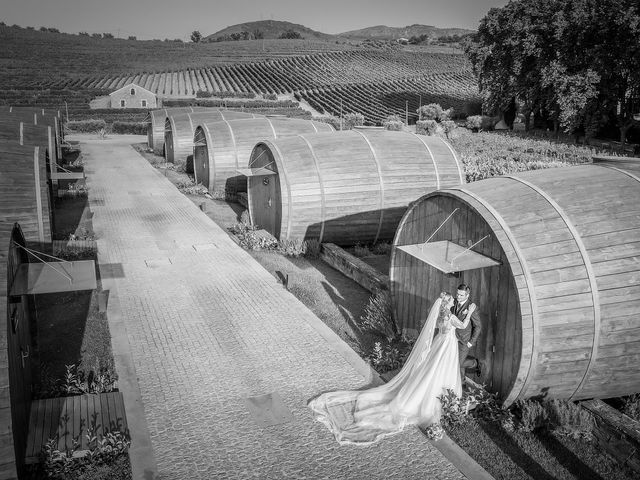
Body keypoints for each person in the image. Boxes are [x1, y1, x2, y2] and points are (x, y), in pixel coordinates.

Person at [308, 292, 476, 445]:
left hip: (439, 344)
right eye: (452, 299)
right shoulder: (452, 317)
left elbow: (442, 330)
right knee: (441, 371)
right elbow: (462, 325)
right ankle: (440, 400)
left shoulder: (441, 316)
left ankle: (435, 396)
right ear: (447, 303)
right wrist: (469, 312)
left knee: (432, 371)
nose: (454, 299)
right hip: (447, 347)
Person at [452, 284, 482, 383]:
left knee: (458, 363)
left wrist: (471, 342)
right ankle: (462, 382)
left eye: (461, 295)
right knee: (456, 361)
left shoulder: (472, 307)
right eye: (457, 294)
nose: (458, 297)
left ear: (467, 296)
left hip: (465, 340)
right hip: (452, 338)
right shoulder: (454, 302)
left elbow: (478, 326)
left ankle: (475, 363)